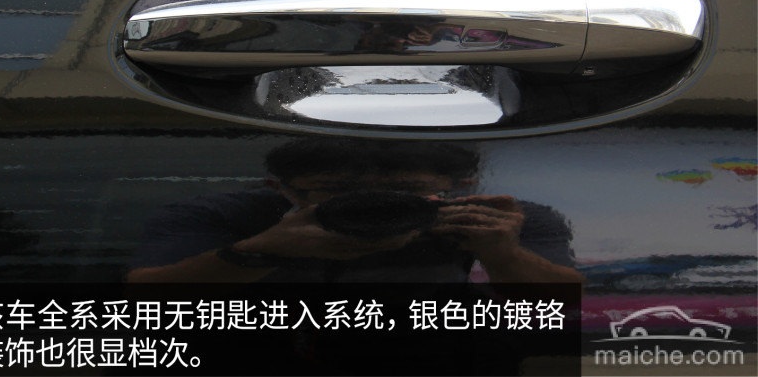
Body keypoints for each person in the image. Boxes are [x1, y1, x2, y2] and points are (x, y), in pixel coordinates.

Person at [127, 139, 583, 285]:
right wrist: (261, 250)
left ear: (458, 190)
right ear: (279, 190)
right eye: (337, 192)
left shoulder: (494, 220)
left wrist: (502, 254)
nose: (373, 203)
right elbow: (149, 296)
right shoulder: (223, 215)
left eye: (407, 192)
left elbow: (564, 303)